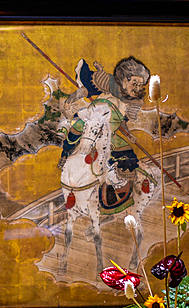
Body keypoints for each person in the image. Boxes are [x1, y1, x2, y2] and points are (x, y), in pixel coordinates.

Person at [59, 56, 151, 210]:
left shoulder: (135, 102)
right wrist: (73, 97)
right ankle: (65, 154)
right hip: (91, 118)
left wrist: (128, 134)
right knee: (76, 127)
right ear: (124, 80)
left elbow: (122, 122)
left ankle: (117, 186)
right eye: (134, 83)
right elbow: (86, 90)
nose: (137, 88)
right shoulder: (109, 83)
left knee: (126, 153)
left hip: (110, 132)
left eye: (140, 85)